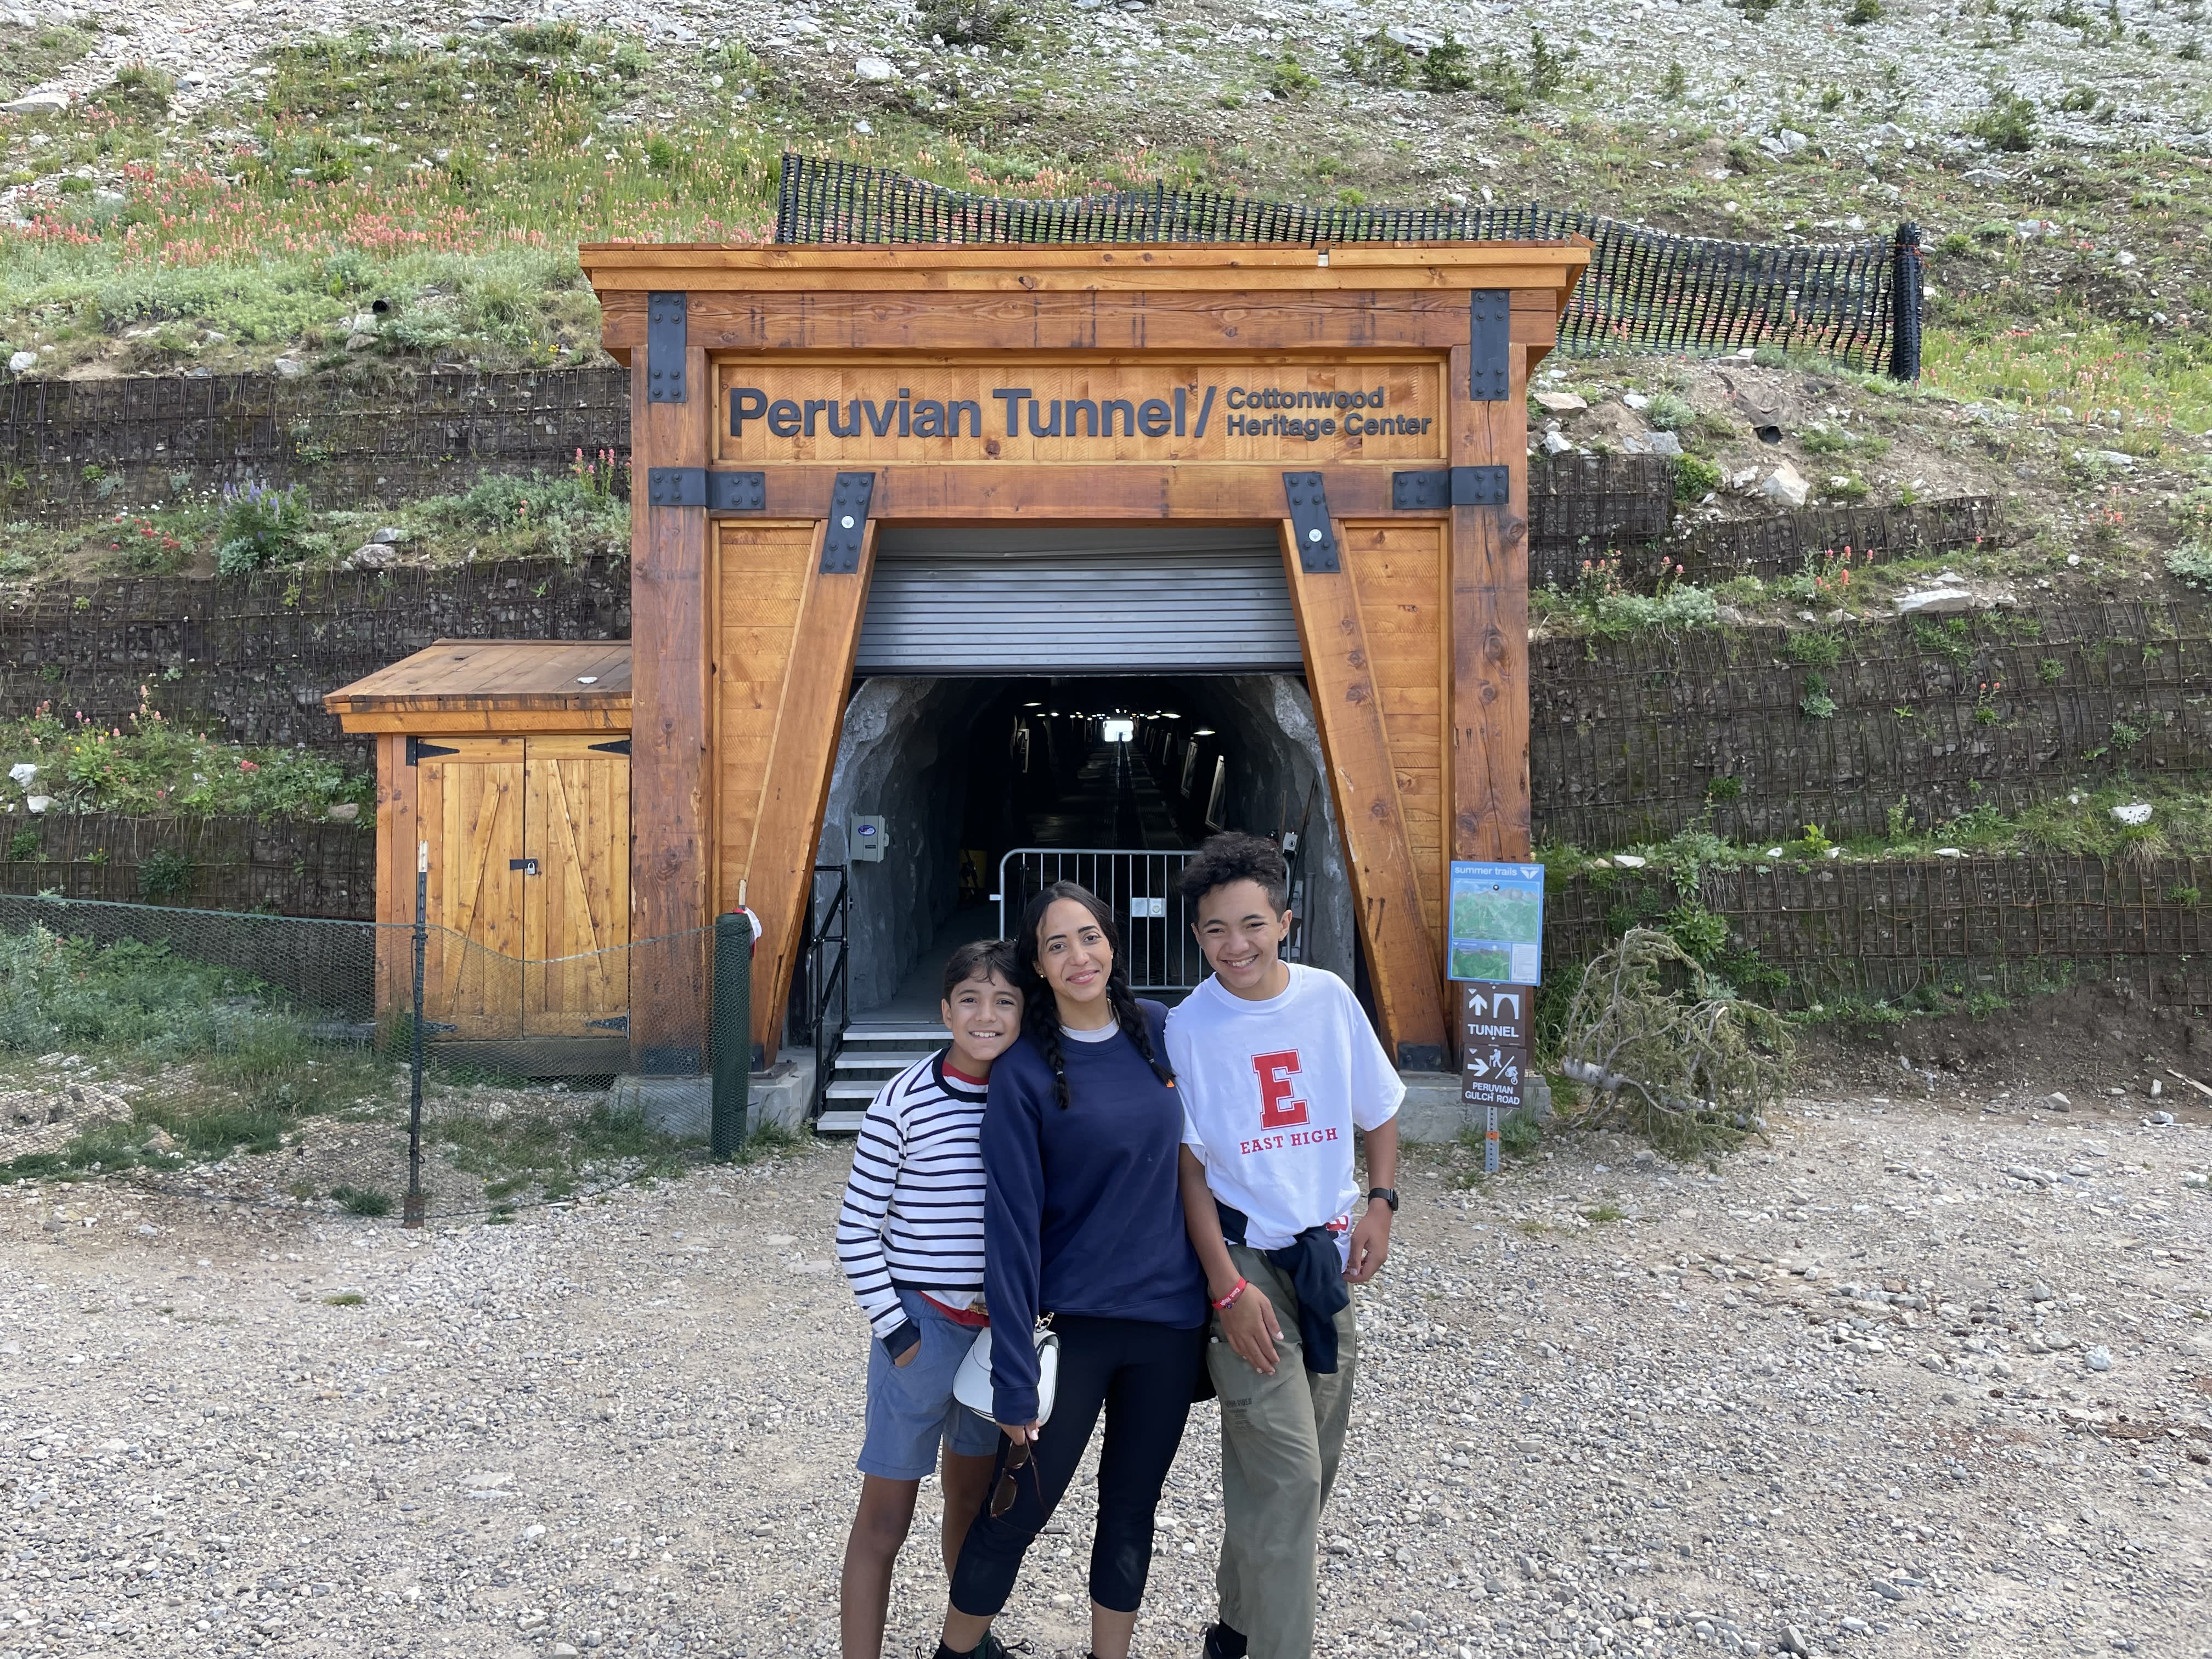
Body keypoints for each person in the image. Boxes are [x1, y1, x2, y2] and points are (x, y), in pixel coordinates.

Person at [934, 881, 1209, 1659]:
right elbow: (1011, 1232)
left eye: (1089, 937)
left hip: (1168, 1324)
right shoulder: (1022, 1071)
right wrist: (1014, 1378)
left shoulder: (1160, 1030)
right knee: (1016, 1511)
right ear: (1038, 966)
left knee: (1131, 1511)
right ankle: (955, 1653)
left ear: (1111, 942)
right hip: (1071, 1329)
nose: (1078, 956)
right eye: (1057, 945)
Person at [1164, 832, 1404, 1659]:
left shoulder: (1329, 999)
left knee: (1303, 1475)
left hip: (1325, 1263)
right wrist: (1226, 1289)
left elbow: (1379, 1105)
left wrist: (1381, 1202)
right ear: (1197, 935)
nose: (1235, 945)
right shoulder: (1190, 1028)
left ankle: (1234, 1633)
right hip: (1249, 1268)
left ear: (1285, 922)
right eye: (1215, 930)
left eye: (1252, 925)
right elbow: (1191, 1171)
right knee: (1290, 1473)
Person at [834, 939, 1025, 1659]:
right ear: (945, 1011)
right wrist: (897, 1334)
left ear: (1024, 1013)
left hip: (992, 1340)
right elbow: (856, 1230)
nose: (986, 1015)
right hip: (921, 1328)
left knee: (970, 1503)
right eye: (970, 1000)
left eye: (1004, 1001)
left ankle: (967, 1642)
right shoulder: (903, 1101)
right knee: (885, 1521)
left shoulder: (1026, 1098)